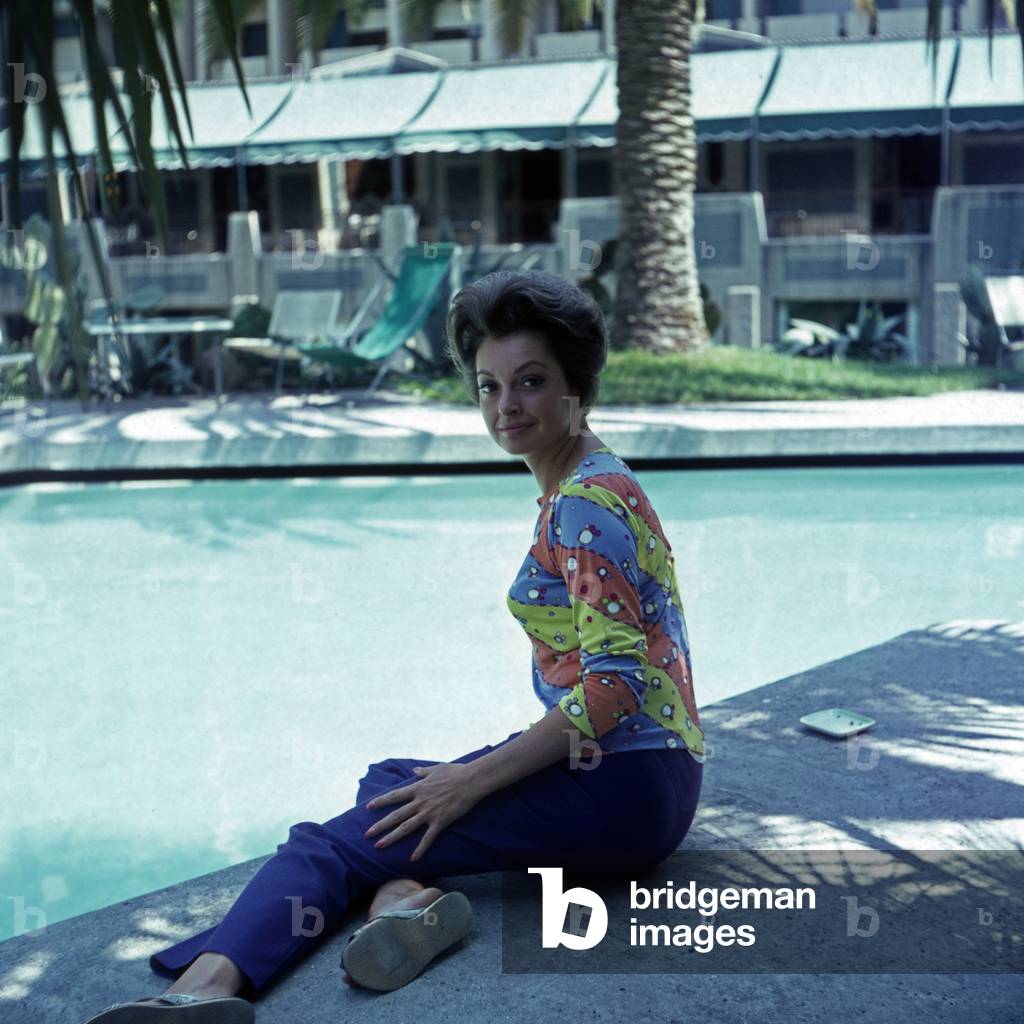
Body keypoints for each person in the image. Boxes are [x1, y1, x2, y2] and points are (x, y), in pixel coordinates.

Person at [82, 270, 706, 1023]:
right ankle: (402, 902)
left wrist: (469, 782)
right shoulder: (598, 479)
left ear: (578, 387)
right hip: (652, 774)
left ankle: (203, 992)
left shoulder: (583, 506)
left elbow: (614, 687)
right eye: (488, 386)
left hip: (621, 787)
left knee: (330, 844)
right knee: (391, 784)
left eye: (531, 381)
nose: (506, 405)